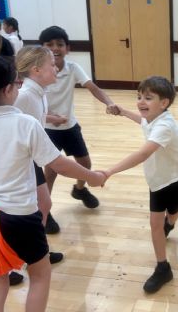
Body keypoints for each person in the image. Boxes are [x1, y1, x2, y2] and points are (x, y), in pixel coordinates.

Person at [0, 54, 106, 312]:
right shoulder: (24, 123)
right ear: (7, 89)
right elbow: (59, 164)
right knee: (40, 275)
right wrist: (94, 177)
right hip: (17, 216)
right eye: (16, 83)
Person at [104, 76, 178, 293]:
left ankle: (170, 223)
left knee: (174, 213)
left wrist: (109, 171)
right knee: (155, 224)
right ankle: (163, 268)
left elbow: (143, 154)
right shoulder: (153, 117)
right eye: (139, 97)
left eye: (147, 98)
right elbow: (143, 121)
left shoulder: (165, 125)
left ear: (164, 103)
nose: (141, 102)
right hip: (158, 182)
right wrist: (124, 112)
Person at [39, 25, 118, 234]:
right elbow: (32, 105)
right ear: (42, 49)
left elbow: (93, 87)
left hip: (70, 126)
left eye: (60, 44)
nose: (55, 48)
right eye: (49, 45)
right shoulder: (37, 72)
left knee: (85, 164)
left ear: (68, 48)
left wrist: (109, 102)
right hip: (48, 129)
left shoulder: (73, 68)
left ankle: (79, 190)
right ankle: (45, 212)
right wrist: (51, 117)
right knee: (51, 171)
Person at [9, 46, 63, 286]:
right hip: (17, 163)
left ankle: (37, 254)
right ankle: (9, 265)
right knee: (14, 213)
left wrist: (52, 118)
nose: (56, 67)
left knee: (44, 204)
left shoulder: (38, 93)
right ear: (36, 69)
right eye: (51, 64)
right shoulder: (24, 95)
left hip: (30, 159)